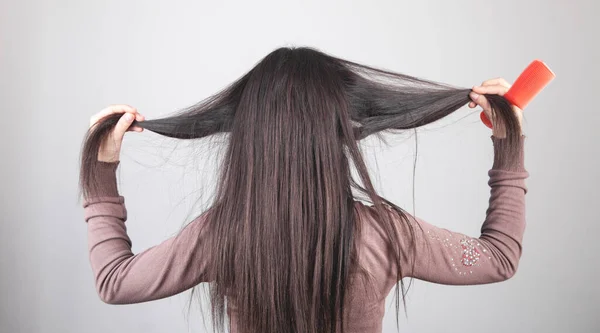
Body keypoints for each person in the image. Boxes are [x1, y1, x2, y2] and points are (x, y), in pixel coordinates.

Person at [80, 47, 528, 333]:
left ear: (250, 137)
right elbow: (499, 259)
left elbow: (115, 282)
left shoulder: (221, 235)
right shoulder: (386, 235)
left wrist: (102, 173)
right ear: (339, 133)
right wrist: (508, 146)